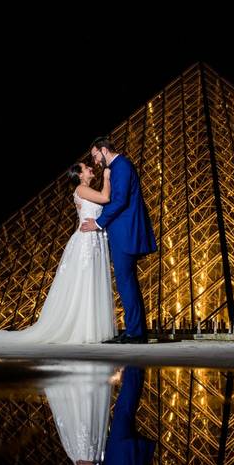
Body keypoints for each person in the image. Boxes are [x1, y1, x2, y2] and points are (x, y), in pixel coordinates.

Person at [0, 162, 116, 344]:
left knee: (90, 283)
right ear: (79, 175)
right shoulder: (81, 189)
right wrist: (107, 176)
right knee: (84, 283)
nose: (91, 168)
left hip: (93, 241)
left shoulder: (86, 190)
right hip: (86, 242)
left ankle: (89, 329)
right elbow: (105, 197)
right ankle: (84, 330)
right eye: (86, 168)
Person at [80, 137, 158, 344]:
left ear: (104, 150)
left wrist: (98, 223)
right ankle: (135, 330)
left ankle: (135, 333)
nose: (95, 162)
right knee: (127, 282)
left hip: (125, 233)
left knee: (125, 282)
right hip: (124, 231)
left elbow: (120, 200)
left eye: (95, 156)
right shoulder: (119, 166)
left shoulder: (121, 166)